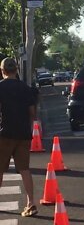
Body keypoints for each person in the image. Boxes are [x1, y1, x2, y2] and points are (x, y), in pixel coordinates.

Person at [0, 58, 37, 217]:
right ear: (17, 70)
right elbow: (32, 113)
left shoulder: (0, 87)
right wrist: (28, 128)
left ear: (2, 71)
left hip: (5, 133)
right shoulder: (26, 88)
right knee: (24, 169)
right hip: (23, 134)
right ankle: (30, 203)